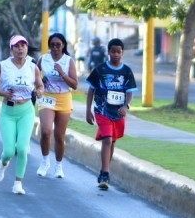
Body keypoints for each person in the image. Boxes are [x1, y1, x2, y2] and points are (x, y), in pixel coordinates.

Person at [0, 35, 45, 195]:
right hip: (8, 112)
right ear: (11, 49)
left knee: (22, 148)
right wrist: (3, 93)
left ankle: (18, 183)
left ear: (27, 48)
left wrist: (39, 91)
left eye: (23, 45)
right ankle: (2, 164)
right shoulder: (3, 66)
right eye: (16, 46)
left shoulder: (32, 67)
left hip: (26, 111)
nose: (20, 49)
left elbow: (40, 85)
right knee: (8, 151)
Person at [86, 38, 138, 190]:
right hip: (102, 110)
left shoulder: (126, 71)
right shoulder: (100, 70)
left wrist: (126, 106)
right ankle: (105, 174)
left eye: (118, 52)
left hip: (118, 112)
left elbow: (130, 92)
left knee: (112, 142)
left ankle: (105, 168)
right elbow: (91, 90)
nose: (116, 54)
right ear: (108, 52)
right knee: (107, 140)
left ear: (122, 53)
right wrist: (88, 110)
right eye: (113, 52)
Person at [36, 33, 78, 178]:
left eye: (58, 45)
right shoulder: (44, 59)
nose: (55, 48)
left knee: (59, 136)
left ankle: (59, 166)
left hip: (63, 98)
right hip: (47, 97)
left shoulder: (68, 61)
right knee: (46, 131)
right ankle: (45, 161)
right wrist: (40, 83)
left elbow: (75, 84)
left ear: (63, 45)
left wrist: (62, 73)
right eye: (52, 45)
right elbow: (35, 75)